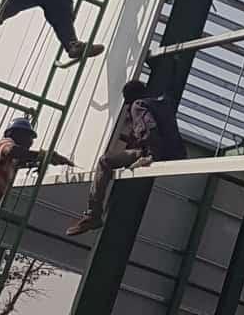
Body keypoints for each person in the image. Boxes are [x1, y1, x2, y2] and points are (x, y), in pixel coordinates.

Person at [66, 80, 186, 236]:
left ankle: (93, 214)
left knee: (105, 162)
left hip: (156, 152)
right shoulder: (163, 103)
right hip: (175, 152)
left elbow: (148, 129)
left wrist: (150, 155)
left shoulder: (138, 104)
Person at [0, 117, 71, 256]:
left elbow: (21, 160)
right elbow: (13, 151)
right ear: (15, 134)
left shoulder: (9, 162)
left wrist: (47, 160)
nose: (30, 142)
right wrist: (42, 155)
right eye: (28, 137)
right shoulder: (5, 143)